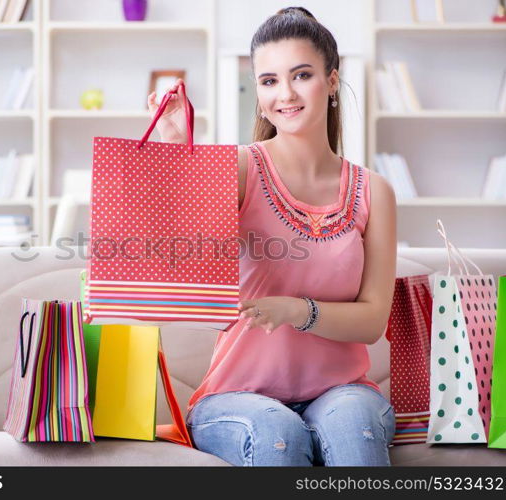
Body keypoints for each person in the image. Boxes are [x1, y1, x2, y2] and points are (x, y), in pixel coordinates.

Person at [146, 6, 397, 466]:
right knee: (278, 431)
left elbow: (373, 321)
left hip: (341, 391)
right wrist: (175, 148)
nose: (285, 94)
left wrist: (296, 311)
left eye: (301, 75)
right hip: (236, 396)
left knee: (353, 426)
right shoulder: (239, 168)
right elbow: (183, 255)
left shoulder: (374, 192)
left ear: (333, 81)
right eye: (268, 81)